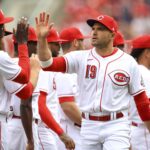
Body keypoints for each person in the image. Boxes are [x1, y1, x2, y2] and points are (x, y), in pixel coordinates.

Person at [36, 12, 150, 150]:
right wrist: (42, 40)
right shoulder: (81, 57)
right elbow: (47, 64)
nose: (94, 32)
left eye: (100, 29)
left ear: (112, 35)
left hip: (116, 124)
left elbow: (141, 100)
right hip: (88, 124)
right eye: (93, 29)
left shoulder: (128, 62)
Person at [6, 26, 40, 150]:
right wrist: (30, 140)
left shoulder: (7, 63)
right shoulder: (30, 65)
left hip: (9, 124)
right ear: (26, 43)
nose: (37, 47)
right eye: (34, 43)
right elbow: (25, 103)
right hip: (24, 126)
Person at [56, 27, 88, 150]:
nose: (84, 46)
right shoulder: (65, 70)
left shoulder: (75, 67)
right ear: (75, 42)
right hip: (72, 130)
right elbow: (67, 106)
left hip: (78, 128)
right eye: (81, 41)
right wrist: (90, 125)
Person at [130, 35, 150, 150]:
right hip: (144, 131)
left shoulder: (133, 70)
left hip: (133, 129)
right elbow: (147, 108)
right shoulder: (145, 74)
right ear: (147, 53)